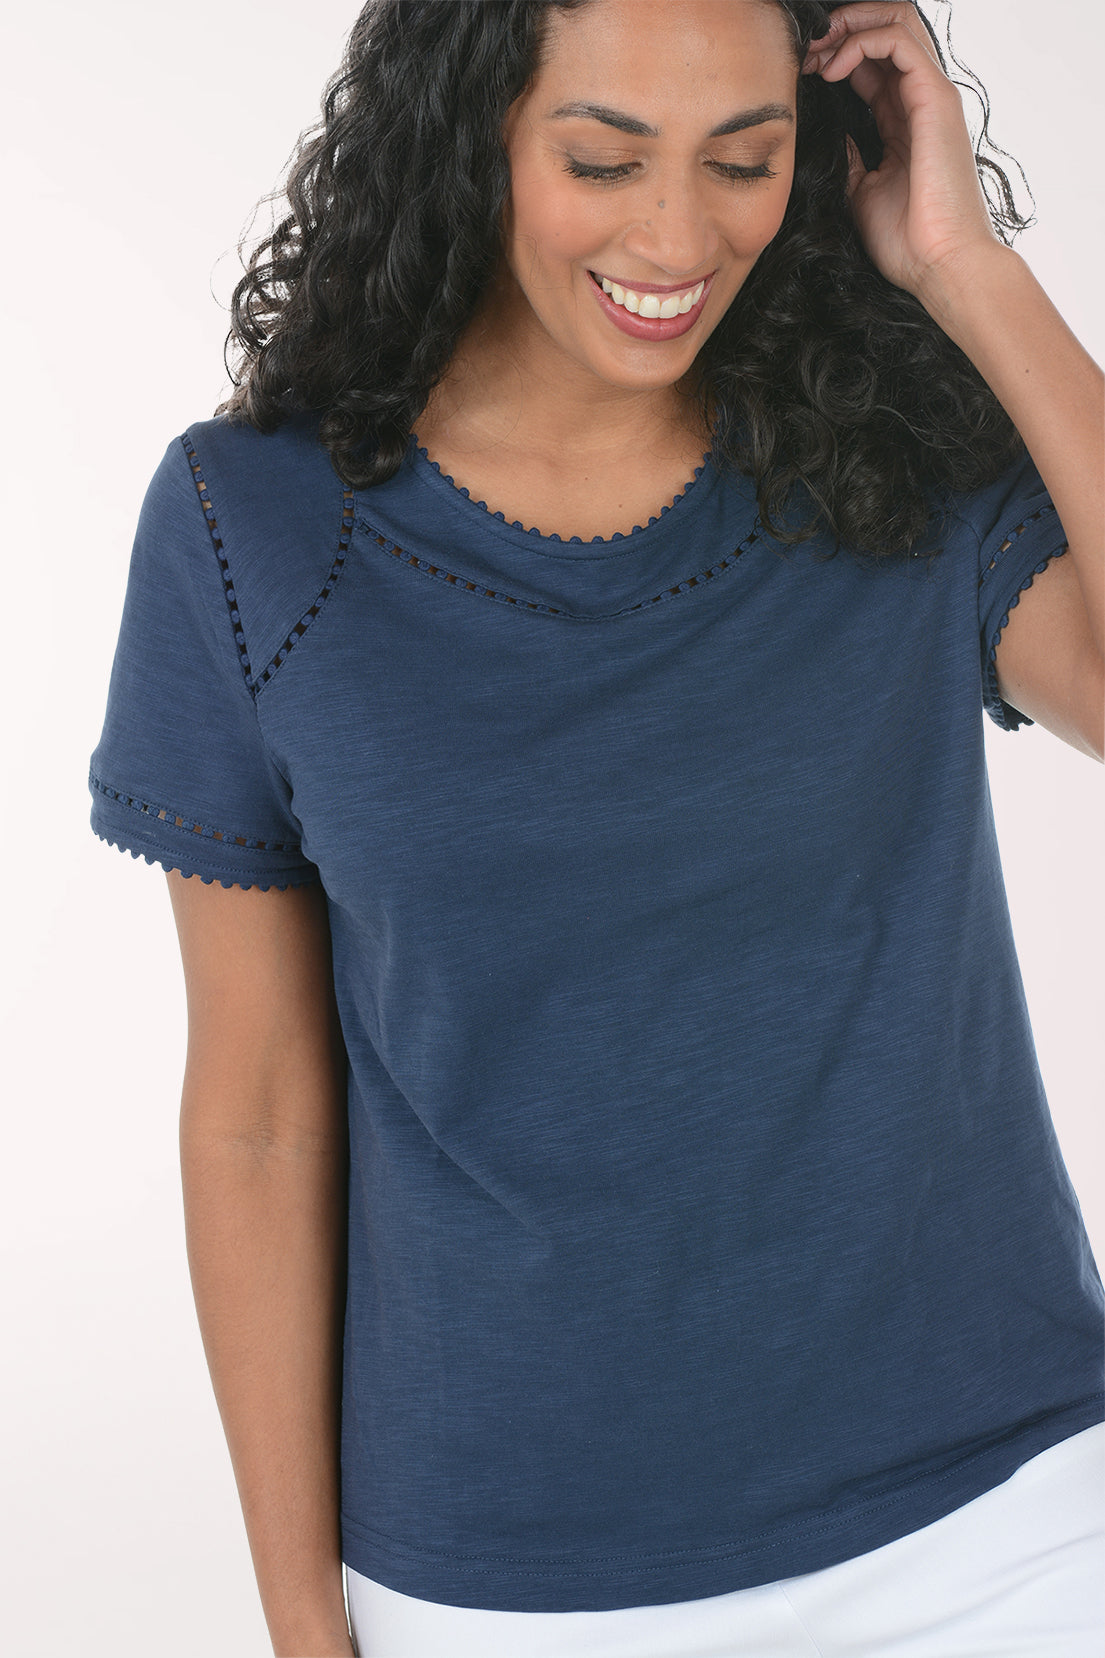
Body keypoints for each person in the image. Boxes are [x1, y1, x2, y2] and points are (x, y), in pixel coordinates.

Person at [89, 1, 1104, 1654]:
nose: (674, 234)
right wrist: (298, 1616)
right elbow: (260, 1109)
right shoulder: (253, 529)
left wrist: (965, 270)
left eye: (745, 159)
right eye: (600, 157)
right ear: (468, 131)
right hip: (508, 1575)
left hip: (998, 1516)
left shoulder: (888, 468)